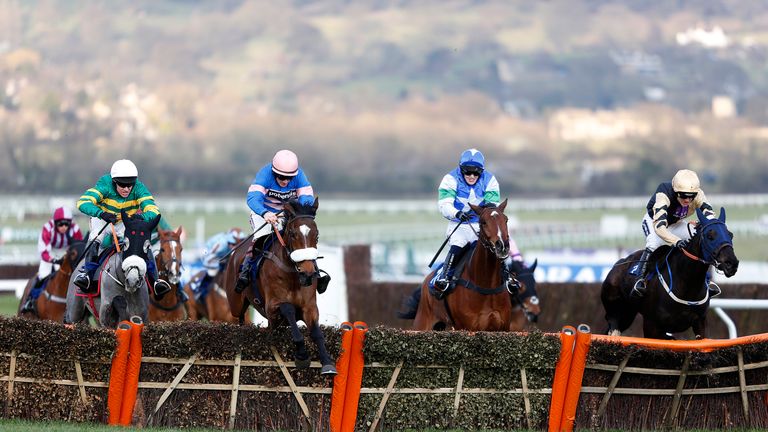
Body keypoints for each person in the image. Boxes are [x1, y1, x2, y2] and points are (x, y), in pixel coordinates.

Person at [72, 159, 172, 299]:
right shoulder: (105, 184)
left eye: (129, 185)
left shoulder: (139, 187)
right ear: (114, 181)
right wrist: (101, 213)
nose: (126, 189)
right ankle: (87, 276)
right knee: (96, 238)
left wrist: (142, 217)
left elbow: (153, 210)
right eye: (122, 185)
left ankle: (155, 281)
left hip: (124, 221)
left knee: (142, 242)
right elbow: (82, 202)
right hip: (102, 218)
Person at [434, 148, 514, 296]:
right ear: (460, 169)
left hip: (481, 225)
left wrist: (483, 218)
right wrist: (457, 213)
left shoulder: (490, 180)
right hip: (459, 224)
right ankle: (445, 276)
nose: (471, 176)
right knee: (458, 245)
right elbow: (444, 205)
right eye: (467, 171)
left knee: (497, 245)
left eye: (476, 172)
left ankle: (507, 276)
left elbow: (491, 208)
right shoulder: (450, 179)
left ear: (481, 171)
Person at [629, 169, 719, 298]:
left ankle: (707, 281)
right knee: (653, 243)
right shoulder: (664, 193)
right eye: (683, 195)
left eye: (691, 196)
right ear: (675, 192)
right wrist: (676, 241)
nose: (688, 200)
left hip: (676, 223)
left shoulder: (698, 194)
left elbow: (709, 214)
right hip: (655, 221)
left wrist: (710, 225)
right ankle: (640, 280)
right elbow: (659, 227)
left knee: (700, 238)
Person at [235, 149, 315, 293]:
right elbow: (253, 198)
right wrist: (265, 213)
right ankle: (245, 271)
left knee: (302, 235)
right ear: (274, 172)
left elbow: (307, 197)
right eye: (281, 177)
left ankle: (315, 272)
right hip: (263, 212)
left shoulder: (300, 175)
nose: (285, 181)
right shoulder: (264, 175)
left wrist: (302, 212)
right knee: (262, 237)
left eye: (289, 178)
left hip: (287, 212)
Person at [20, 206, 84, 313]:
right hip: (50, 253)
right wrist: (53, 260)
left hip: (66, 253)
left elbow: (79, 246)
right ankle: (30, 301)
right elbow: (44, 251)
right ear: (55, 223)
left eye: (66, 224)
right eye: (60, 224)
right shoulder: (47, 228)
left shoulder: (75, 228)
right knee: (42, 275)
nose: (64, 227)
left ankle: (83, 305)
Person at [195, 228, 246, 300]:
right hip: (209, 254)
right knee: (212, 272)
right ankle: (200, 291)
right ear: (228, 241)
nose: (235, 246)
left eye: (238, 243)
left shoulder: (231, 242)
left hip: (222, 256)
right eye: (233, 244)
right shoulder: (221, 245)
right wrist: (219, 263)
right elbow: (209, 257)